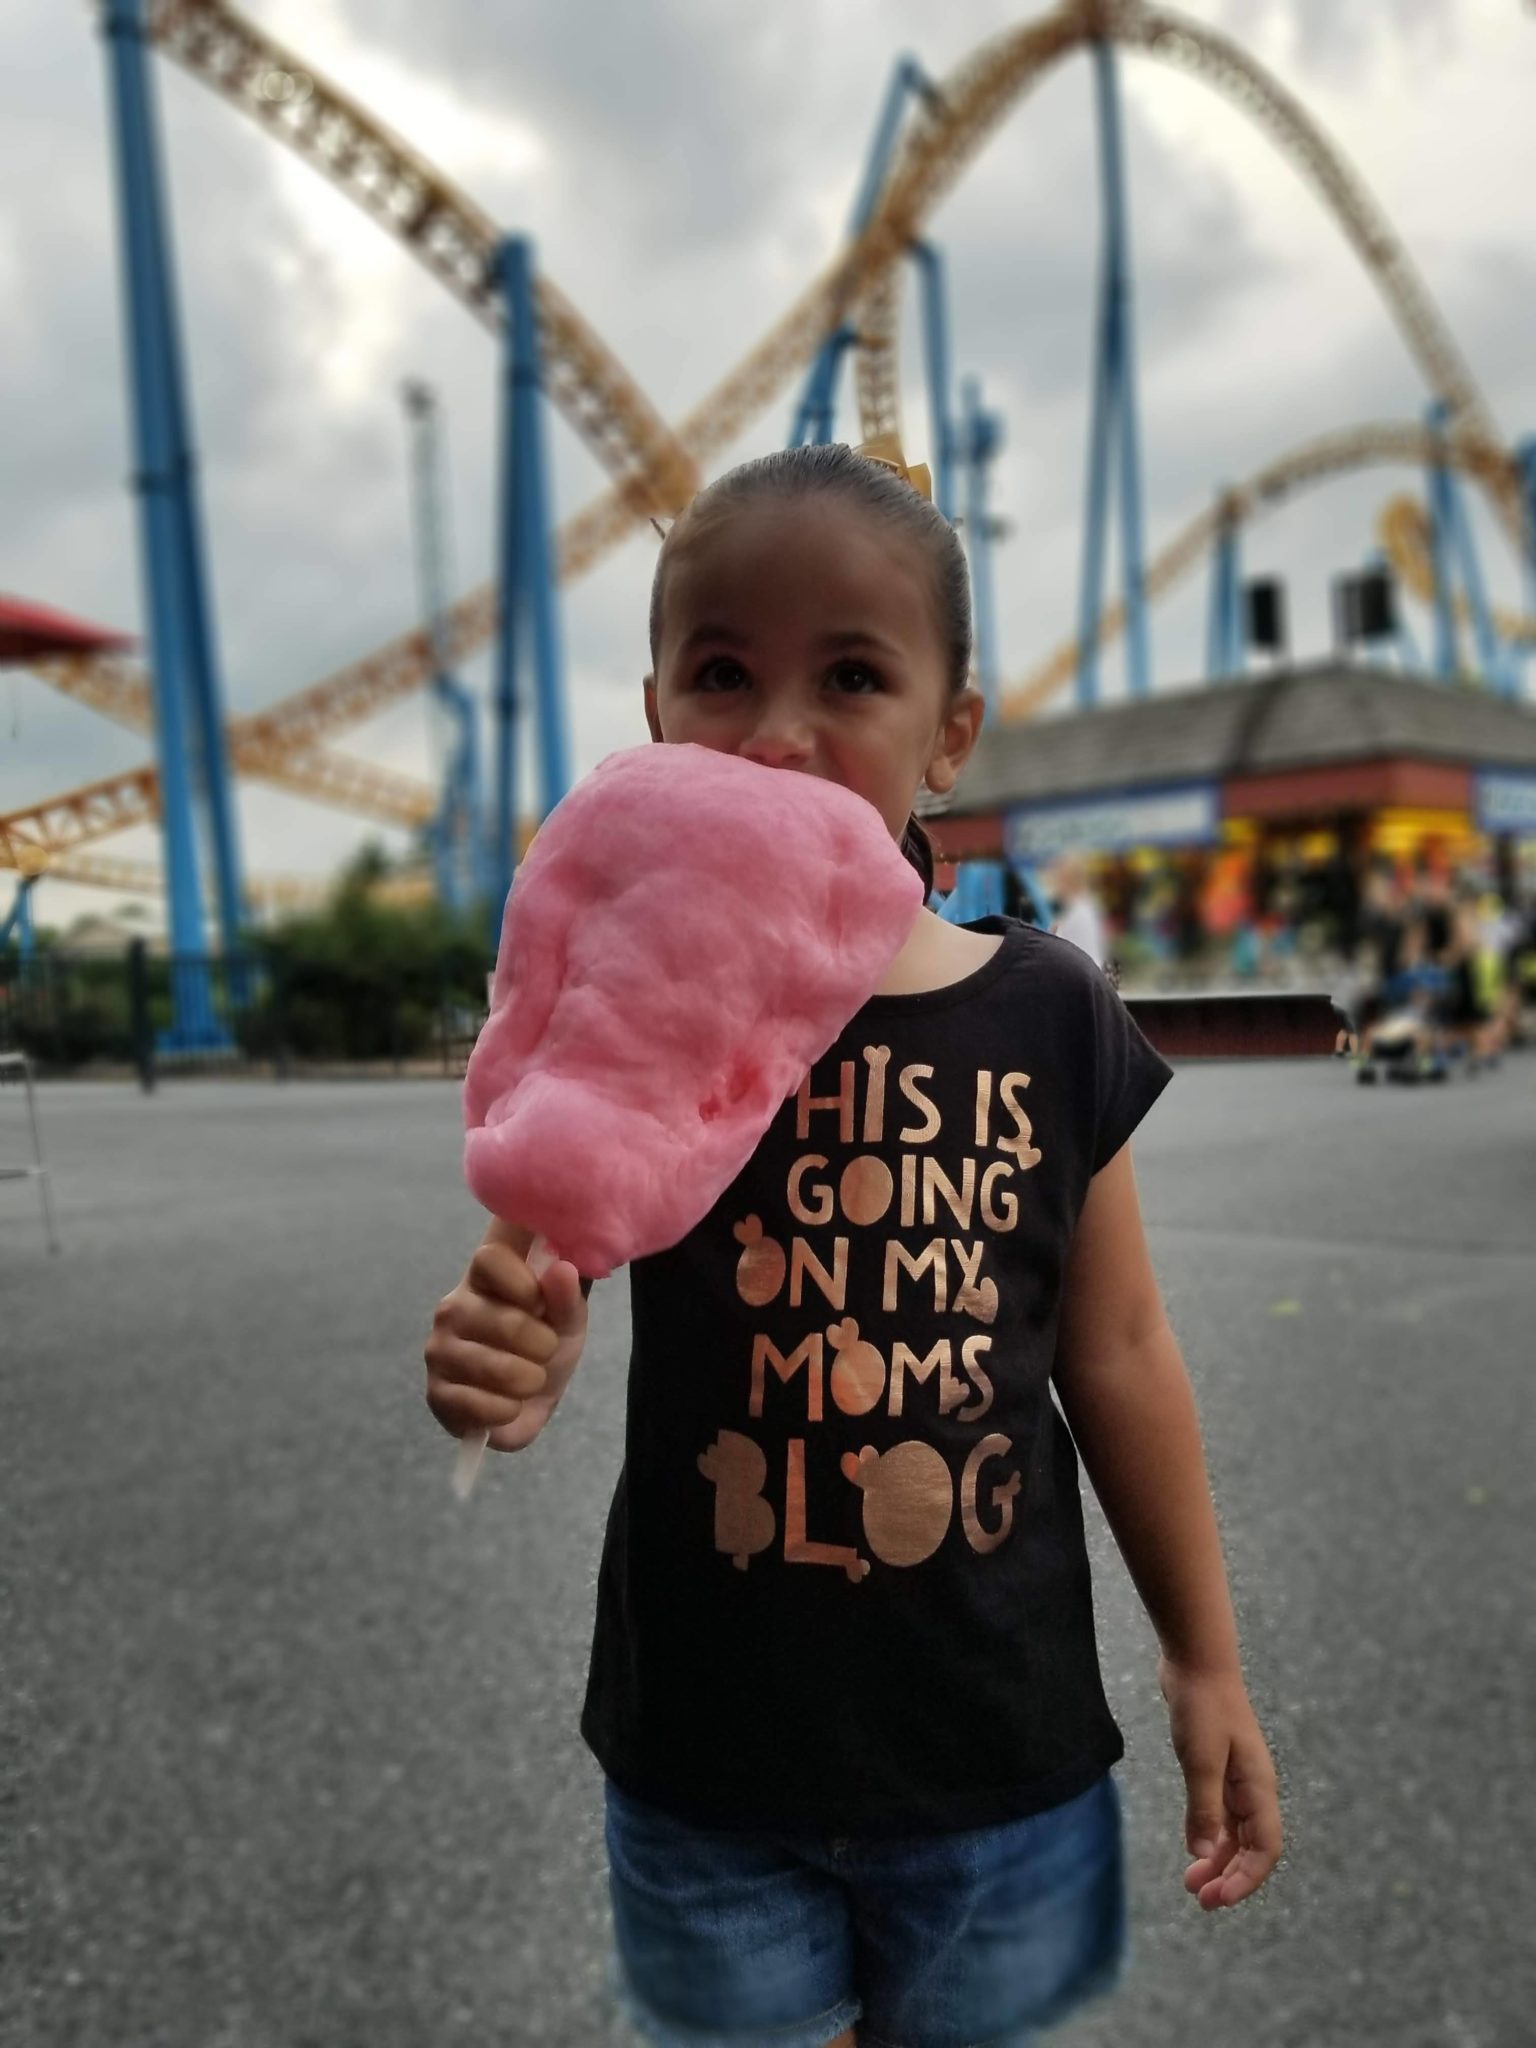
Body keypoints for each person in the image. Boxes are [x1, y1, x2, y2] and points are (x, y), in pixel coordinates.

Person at [423, 443, 1283, 2048]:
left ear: (950, 734)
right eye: (725, 672)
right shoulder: (649, 1019)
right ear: (660, 711)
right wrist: (502, 1360)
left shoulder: (1051, 1008)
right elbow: (538, 1285)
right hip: (706, 1768)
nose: (779, 732)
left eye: (855, 676)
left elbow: (1117, 1352)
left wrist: (1205, 1663)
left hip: (998, 1765)